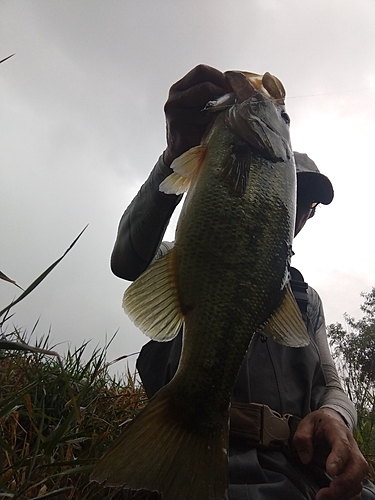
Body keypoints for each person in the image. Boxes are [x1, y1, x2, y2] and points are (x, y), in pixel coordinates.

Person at [111, 65, 374, 500]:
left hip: (295, 471)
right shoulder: (180, 259)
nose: (304, 207)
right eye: (301, 191)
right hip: (194, 451)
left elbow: (332, 383)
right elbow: (126, 259)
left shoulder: (307, 302)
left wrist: (338, 417)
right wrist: (173, 153)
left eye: (309, 202)